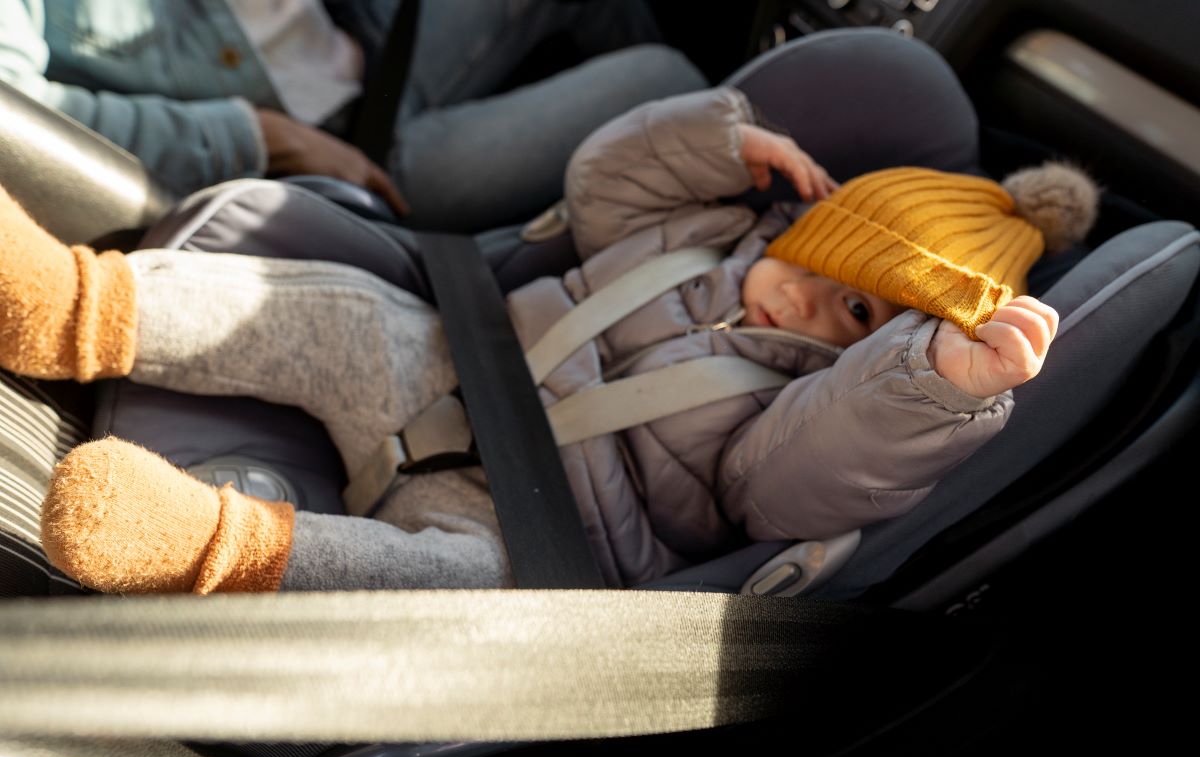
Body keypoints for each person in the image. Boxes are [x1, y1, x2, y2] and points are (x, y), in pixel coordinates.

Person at [0, 88, 1095, 595]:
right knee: (328, 310)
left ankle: (213, 541)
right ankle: (71, 304)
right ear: (795, 219)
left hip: (540, 528)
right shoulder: (708, 228)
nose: (805, 299)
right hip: (451, 359)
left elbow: (820, 469)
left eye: (856, 312)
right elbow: (599, 188)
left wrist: (931, 380)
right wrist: (714, 140)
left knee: (454, 583)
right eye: (812, 260)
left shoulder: (795, 413)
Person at [0, 0, 707, 231]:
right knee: (670, 83)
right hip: (341, 161)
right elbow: (17, 118)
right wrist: (261, 139)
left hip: (368, 45)